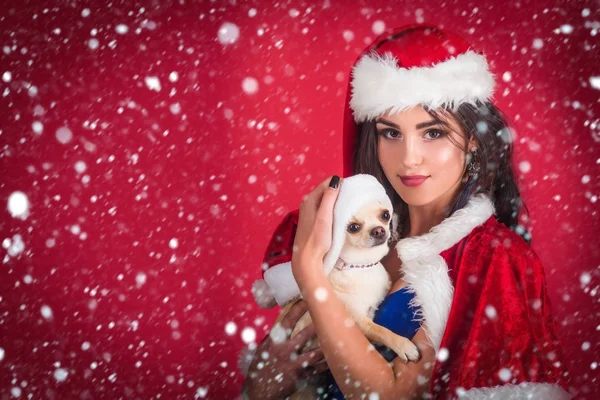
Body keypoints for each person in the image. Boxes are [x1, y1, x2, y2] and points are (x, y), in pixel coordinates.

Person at [242, 24, 571, 399]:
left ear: (474, 140)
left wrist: (309, 273)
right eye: (391, 133)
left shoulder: (490, 257)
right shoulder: (351, 233)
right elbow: (280, 369)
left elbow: (391, 395)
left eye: (432, 133)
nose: (409, 158)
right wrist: (257, 385)